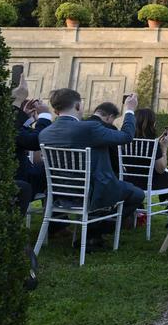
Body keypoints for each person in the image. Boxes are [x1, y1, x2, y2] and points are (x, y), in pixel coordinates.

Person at [38, 89, 145, 251]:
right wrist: (129, 110)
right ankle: (93, 232)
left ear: (55, 109)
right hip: (92, 193)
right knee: (137, 194)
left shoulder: (45, 133)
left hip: (59, 194)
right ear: (79, 106)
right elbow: (126, 137)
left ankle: (91, 230)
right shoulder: (90, 128)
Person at [127, 108, 168, 191]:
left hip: (128, 182)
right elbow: (161, 169)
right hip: (149, 184)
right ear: (152, 124)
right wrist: (164, 148)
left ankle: (166, 200)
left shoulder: (126, 141)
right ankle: (167, 201)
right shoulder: (152, 144)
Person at [87, 101, 122, 174]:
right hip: (103, 174)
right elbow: (116, 154)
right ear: (110, 116)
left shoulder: (79, 124)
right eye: (113, 120)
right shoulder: (110, 128)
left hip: (81, 170)